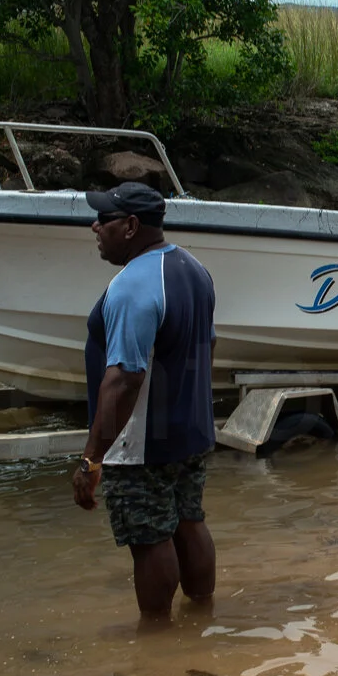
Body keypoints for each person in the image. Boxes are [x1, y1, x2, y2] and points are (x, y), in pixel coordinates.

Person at [70, 181, 219, 619]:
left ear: (131, 226)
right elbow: (208, 345)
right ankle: (202, 617)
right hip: (190, 430)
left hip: (141, 443)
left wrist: (91, 460)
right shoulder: (195, 269)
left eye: (104, 219)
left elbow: (123, 378)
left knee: (149, 539)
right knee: (189, 520)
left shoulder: (132, 285)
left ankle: (155, 643)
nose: (95, 226)